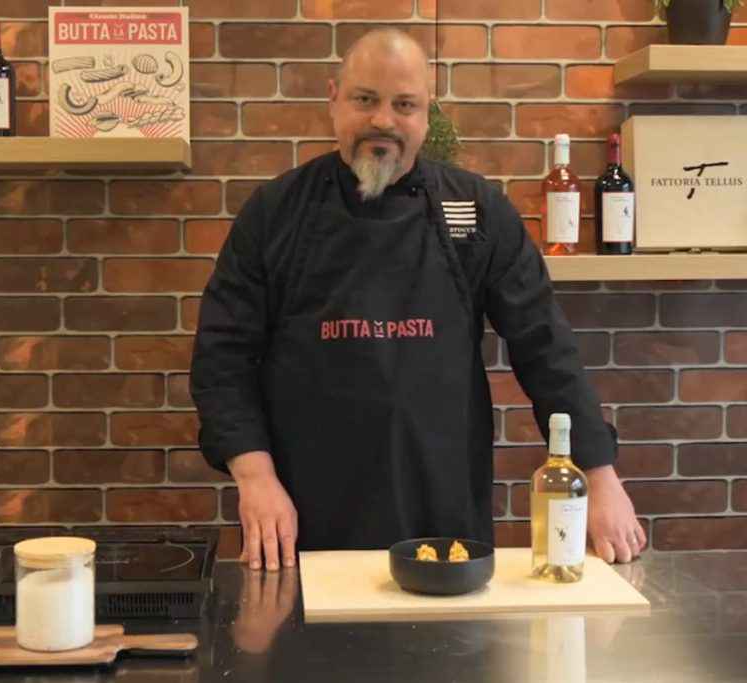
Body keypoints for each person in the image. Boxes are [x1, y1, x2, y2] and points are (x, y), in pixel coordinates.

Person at [190, 28, 645, 571]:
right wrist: (255, 478)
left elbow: (545, 348)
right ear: (333, 98)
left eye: (404, 104)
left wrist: (598, 474)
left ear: (428, 115)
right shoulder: (275, 213)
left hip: (446, 516)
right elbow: (222, 356)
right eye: (365, 99)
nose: (383, 119)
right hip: (300, 518)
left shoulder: (478, 212)